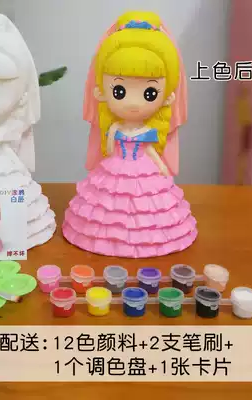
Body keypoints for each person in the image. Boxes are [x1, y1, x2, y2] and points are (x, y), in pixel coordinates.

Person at [62, 11, 197, 258]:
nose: (133, 103)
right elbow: (108, 149)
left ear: (168, 96)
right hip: (114, 168)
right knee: (110, 208)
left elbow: (152, 152)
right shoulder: (115, 129)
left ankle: (141, 238)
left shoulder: (148, 132)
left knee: (147, 210)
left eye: (149, 93)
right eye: (120, 91)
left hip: (145, 170)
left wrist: (162, 168)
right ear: (100, 92)